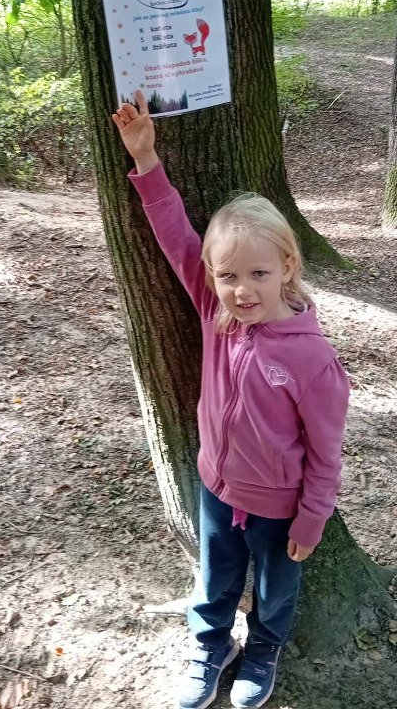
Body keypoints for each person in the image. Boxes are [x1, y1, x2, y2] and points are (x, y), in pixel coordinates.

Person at [112, 91, 350, 709]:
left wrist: (312, 517)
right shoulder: (215, 310)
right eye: (228, 276)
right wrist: (146, 160)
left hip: (279, 508)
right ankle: (208, 647)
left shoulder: (312, 359)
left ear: (288, 268)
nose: (242, 291)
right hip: (216, 487)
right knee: (214, 581)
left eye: (259, 274)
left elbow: (326, 451)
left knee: (275, 590)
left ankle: (264, 650)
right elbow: (176, 235)